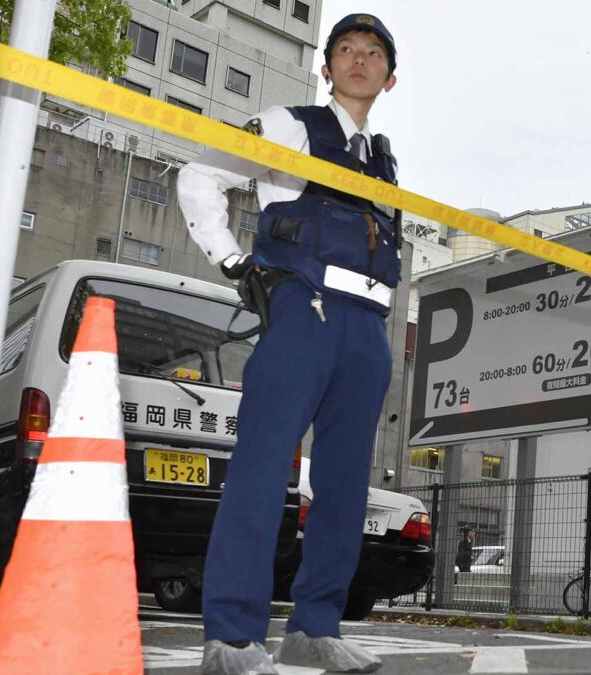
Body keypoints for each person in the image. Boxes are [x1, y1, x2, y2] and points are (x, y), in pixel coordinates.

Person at [177, 13, 401, 675]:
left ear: (391, 78)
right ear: (326, 66)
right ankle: (233, 637)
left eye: (373, 53)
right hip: (305, 309)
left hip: (367, 324)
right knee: (263, 465)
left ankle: (315, 627)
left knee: (344, 485)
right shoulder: (291, 126)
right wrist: (233, 263)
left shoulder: (383, 161)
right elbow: (199, 175)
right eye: (346, 51)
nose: (359, 60)